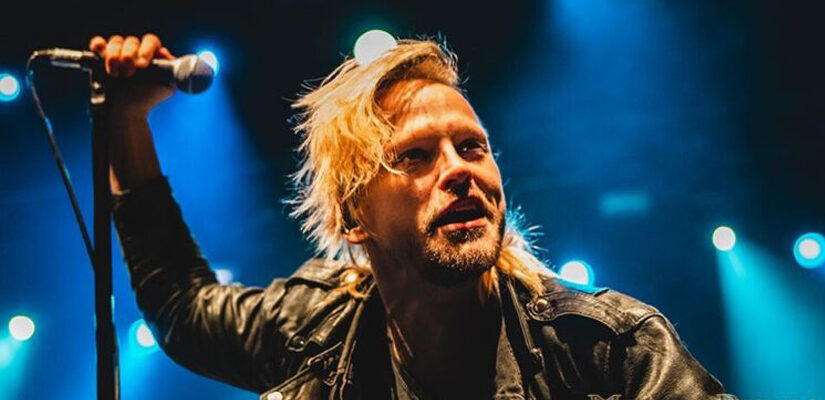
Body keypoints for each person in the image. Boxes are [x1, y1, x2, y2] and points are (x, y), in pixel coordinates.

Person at [93, 33, 731, 399]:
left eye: (472, 147)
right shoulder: (314, 331)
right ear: (354, 216)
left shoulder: (610, 351)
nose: (459, 170)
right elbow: (183, 310)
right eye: (415, 156)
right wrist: (125, 119)